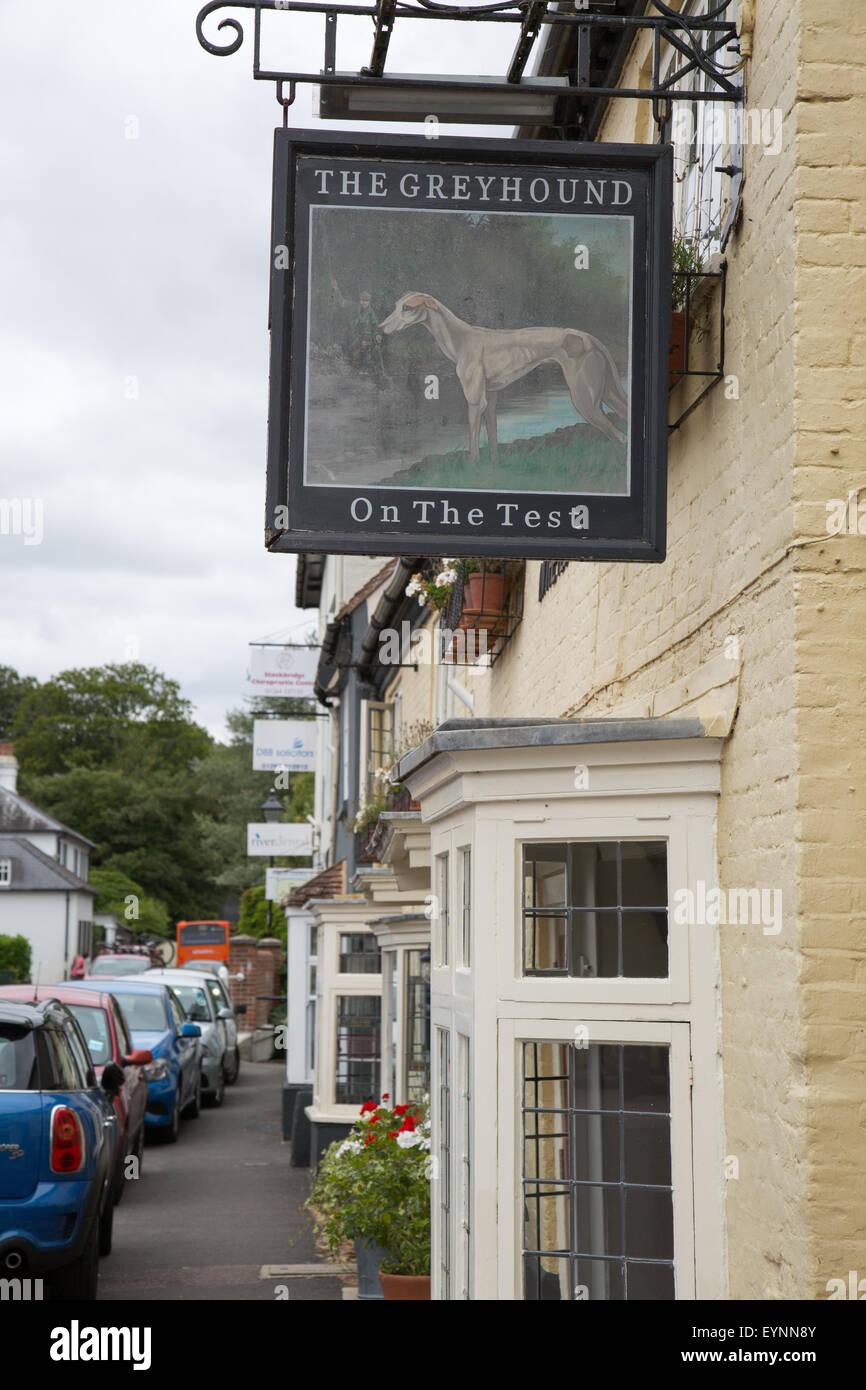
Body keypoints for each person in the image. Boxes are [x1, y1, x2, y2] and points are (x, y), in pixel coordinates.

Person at [330, 276, 384, 372]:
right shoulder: (354, 306)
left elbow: (376, 325)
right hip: (353, 334)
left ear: (369, 302)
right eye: (362, 300)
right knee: (353, 350)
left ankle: (366, 371)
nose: (363, 303)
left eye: (366, 301)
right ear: (359, 300)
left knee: (366, 351)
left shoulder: (371, 313)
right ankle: (354, 370)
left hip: (367, 336)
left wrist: (377, 335)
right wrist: (336, 289)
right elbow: (342, 302)